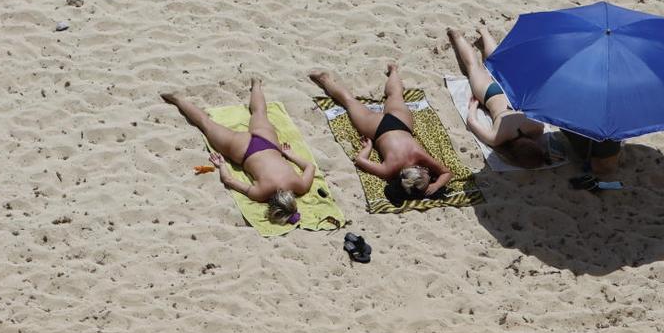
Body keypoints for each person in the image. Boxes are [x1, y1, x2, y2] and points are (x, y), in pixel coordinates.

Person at [161, 78, 315, 224]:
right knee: (206, 124)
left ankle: (256, 84)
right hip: (243, 150)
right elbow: (229, 180)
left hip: (270, 144)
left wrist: (291, 155)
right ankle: (177, 99)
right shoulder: (261, 194)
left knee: (259, 112)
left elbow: (310, 167)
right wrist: (221, 164)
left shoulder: (300, 185)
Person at [309, 64, 452, 198]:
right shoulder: (389, 170)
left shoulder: (418, 156)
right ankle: (324, 79)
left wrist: (437, 183)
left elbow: (446, 172)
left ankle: (393, 69)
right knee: (349, 101)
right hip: (378, 130)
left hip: (401, 124)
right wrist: (368, 147)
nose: (428, 172)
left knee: (394, 95)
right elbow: (360, 160)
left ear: (419, 170)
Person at [446, 26, 548, 169]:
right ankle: (457, 36)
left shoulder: (537, 128)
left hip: (511, 91)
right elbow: (472, 121)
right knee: (473, 66)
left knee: (497, 60)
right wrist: (474, 106)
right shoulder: (496, 139)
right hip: (490, 95)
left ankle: (484, 31)